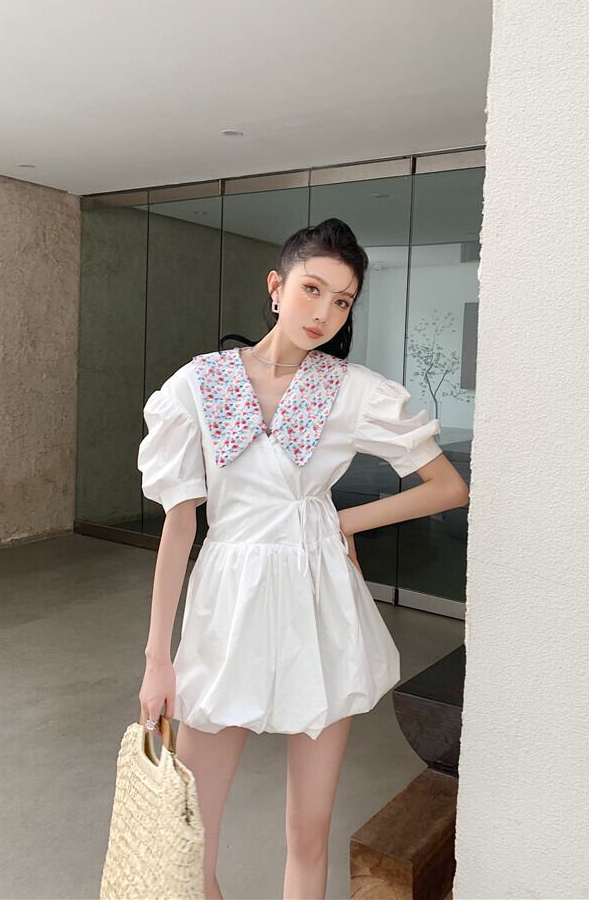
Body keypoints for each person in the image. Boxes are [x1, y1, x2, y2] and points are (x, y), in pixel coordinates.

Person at [137, 217, 469, 900]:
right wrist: (157, 659)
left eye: (342, 301)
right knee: (187, 836)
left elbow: (447, 486)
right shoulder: (199, 384)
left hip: (319, 611)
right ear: (276, 286)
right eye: (312, 289)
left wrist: (343, 520)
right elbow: (180, 522)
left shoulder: (352, 390)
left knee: (308, 833)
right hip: (224, 610)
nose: (324, 312)